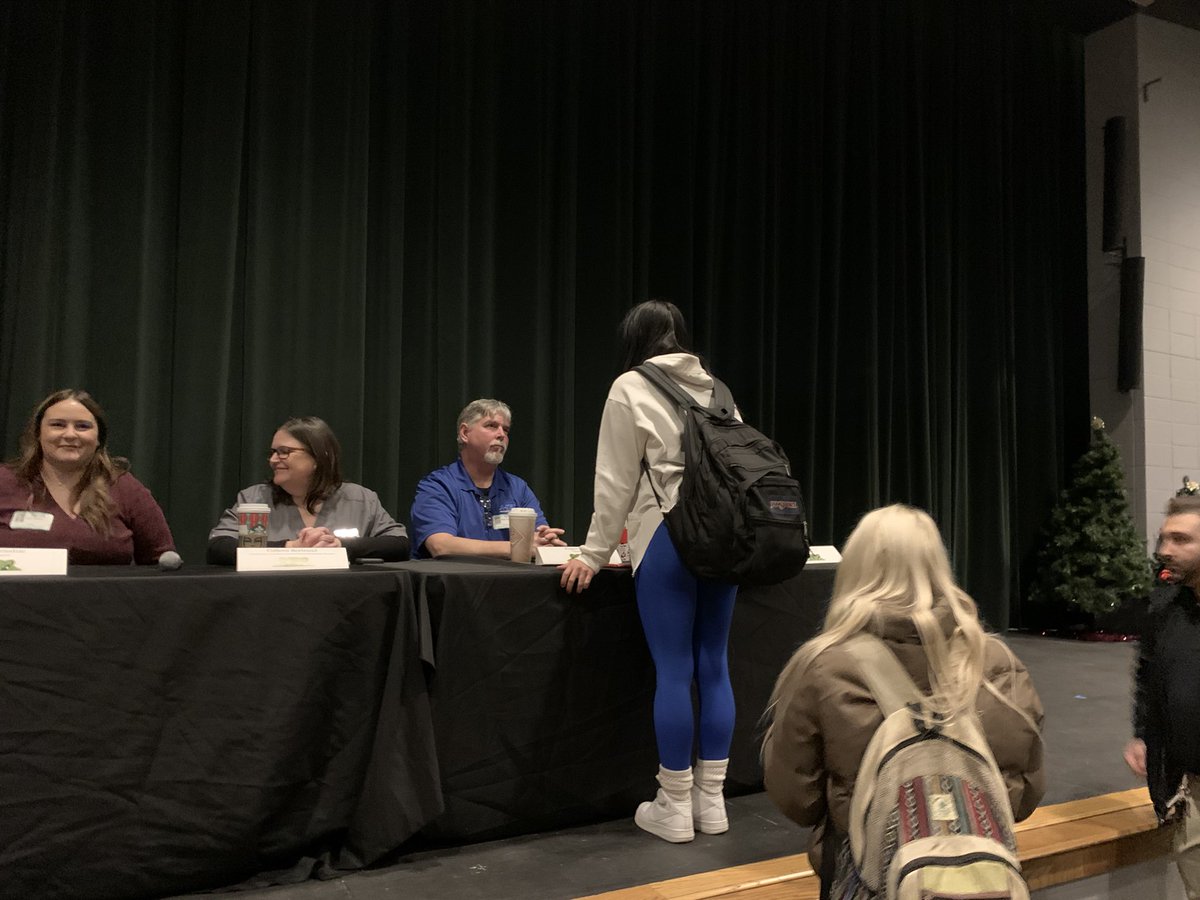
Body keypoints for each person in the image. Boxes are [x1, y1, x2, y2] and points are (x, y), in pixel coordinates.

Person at [761, 504, 1045, 898]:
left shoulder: (824, 667)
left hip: (865, 879)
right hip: (980, 883)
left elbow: (797, 800)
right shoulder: (997, 663)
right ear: (938, 564)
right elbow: (1024, 795)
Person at [559, 300, 740, 844]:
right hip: (726, 540)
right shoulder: (720, 391)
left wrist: (591, 555)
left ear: (634, 342)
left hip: (668, 537)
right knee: (714, 664)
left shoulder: (630, 387)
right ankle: (714, 803)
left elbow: (614, 482)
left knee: (672, 667)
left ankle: (676, 806)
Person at [0, 389, 175, 565]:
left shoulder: (124, 487)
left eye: (82, 426)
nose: (69, 434)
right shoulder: (4, 481)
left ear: (98, 437)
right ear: (38, 433)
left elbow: (162, 561)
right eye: (58, 425)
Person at [1124, 494, 1200, 898]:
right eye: (1163, 539)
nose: (1164, 550)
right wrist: (1143, 733)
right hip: (1190, 788)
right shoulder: (1165, 608)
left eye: (1180, 539)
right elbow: (1148, 674)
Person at [207, 416, 409, 564]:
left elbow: (399, 545)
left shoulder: (361, 498)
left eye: (284, 452)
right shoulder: (254, 498)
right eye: (273, 453)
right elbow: (218, 548)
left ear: (319, 457)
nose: (273, 460)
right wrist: (290, 548)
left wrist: (338, 546)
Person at [409, 399, 565, 559]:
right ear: (464, 433)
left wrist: (547, 541)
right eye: (491, 426)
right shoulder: (438, 485)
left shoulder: (518, 488)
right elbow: (441, 546)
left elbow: (540, 540)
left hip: (510, 581)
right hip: (456, 581)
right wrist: (518, 548)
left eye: (506, 430)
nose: (501, 435)